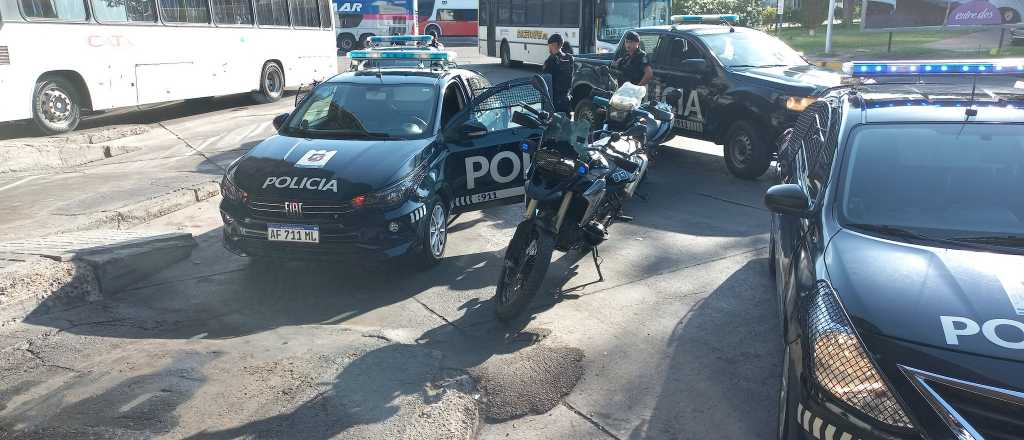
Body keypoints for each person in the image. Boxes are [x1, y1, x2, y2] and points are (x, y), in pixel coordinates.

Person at [542, 33, 574, 114]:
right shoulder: (569, 58)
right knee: (567, 121)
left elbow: (544, 80)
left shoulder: (550, 60)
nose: (549, 49)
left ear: (555, 45)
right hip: (567, 97)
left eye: (550, 46)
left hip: (554, 100)